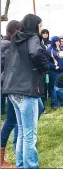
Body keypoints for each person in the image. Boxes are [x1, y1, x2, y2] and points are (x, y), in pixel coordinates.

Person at [2, 14, 49, 168]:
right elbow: (36, 53)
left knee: (22, 131)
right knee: (30, 135)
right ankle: (31, 166)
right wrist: (45, 67)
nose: (40, 29)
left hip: (13, 91)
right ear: (34, 25)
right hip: (26, 91)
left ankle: (21, 165)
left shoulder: (16, 40)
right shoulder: (32, 38)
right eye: (40, 25)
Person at [1, 20, 22, 168]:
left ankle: (17, 145)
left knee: (12, 119)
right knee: (10, 120)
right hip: (11, 85)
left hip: (9, 84)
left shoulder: (6, 44)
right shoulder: (8, 46)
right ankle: (1, 159)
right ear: (16, 30)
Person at [47, 36, 63, 109]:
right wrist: (54, 67)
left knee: (62, 87)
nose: (58, 42)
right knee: (54, 88)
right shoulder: (49, 50)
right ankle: (54, 104)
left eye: (59, 41)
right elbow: (47, 62)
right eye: (56, 41)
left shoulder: (62, 49)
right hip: (54, 72)